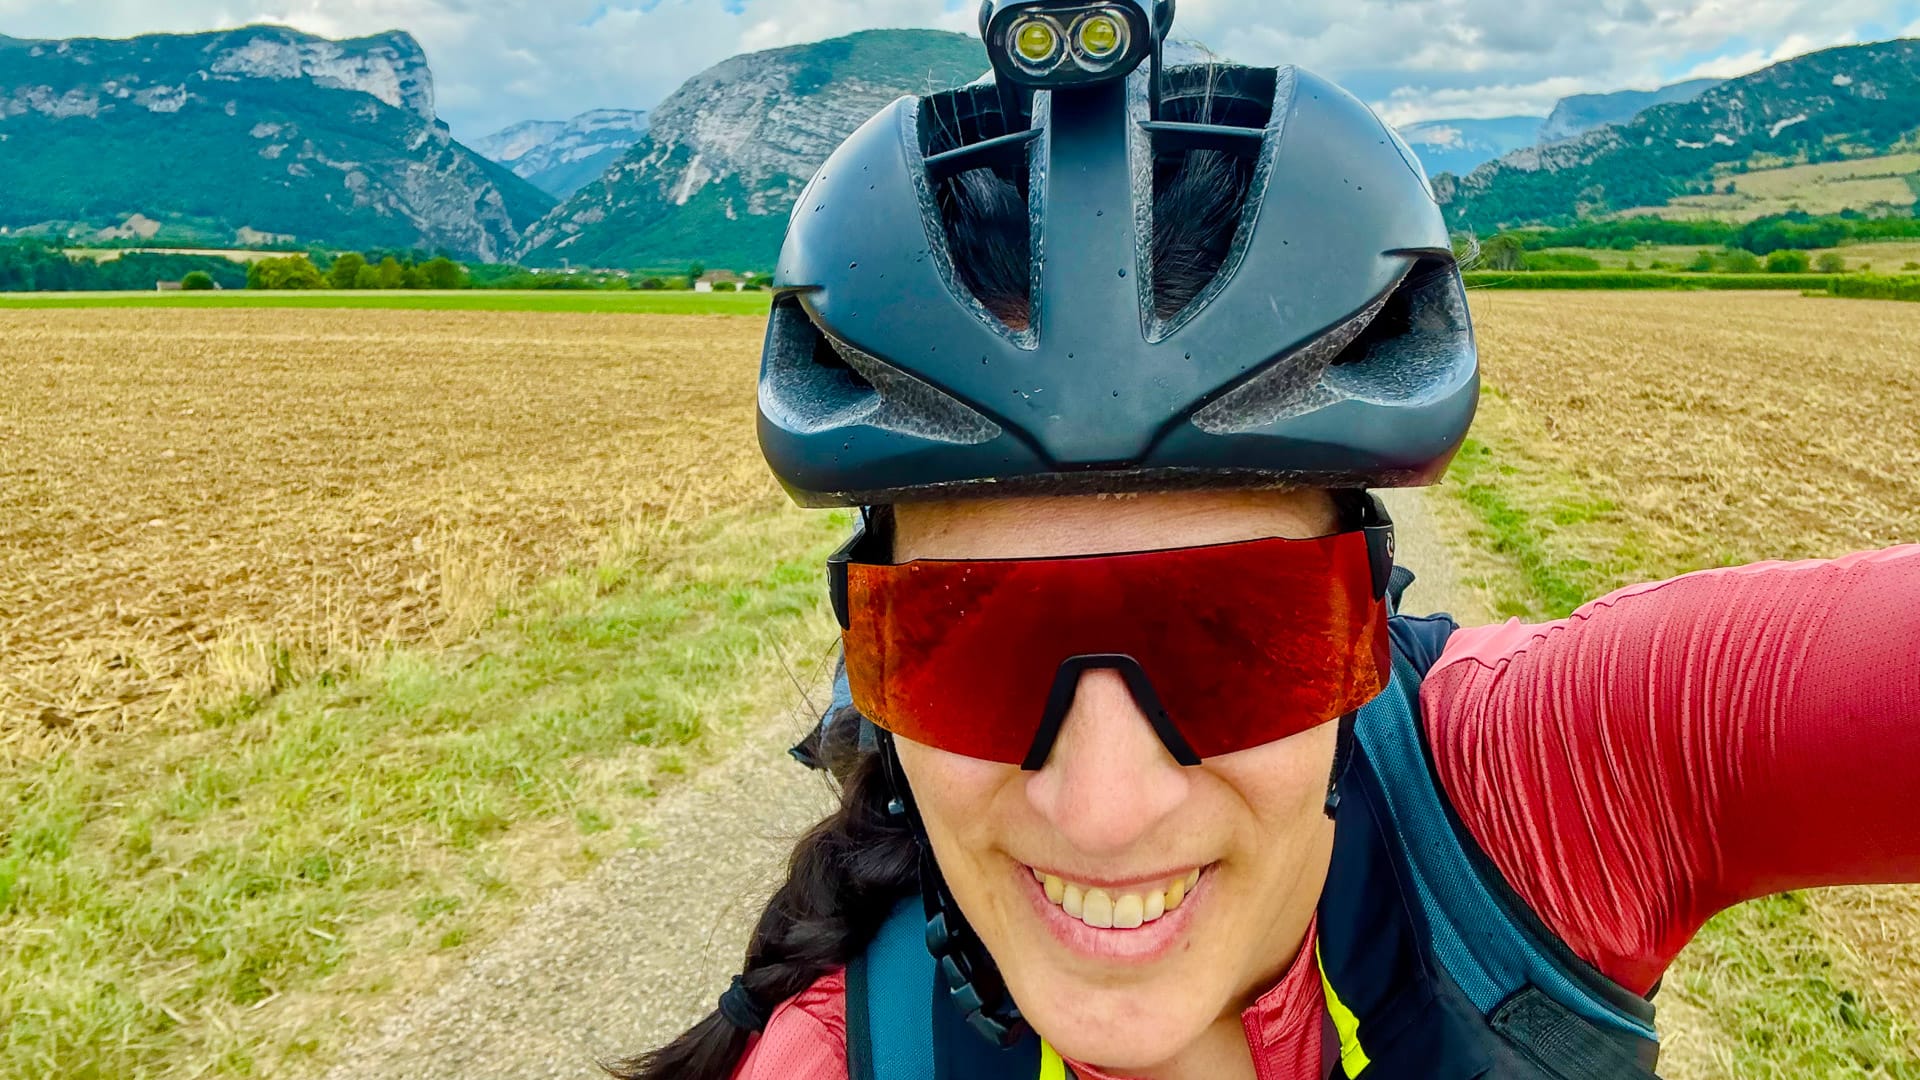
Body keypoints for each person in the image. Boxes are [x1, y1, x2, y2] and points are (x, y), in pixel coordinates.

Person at [612, 8, 1920, 1078]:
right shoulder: (838, 1058)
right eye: (971, 650)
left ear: (1371, 615)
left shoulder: (1525, 801)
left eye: (1240, 638)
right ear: (872, 672)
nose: (1105, 808)